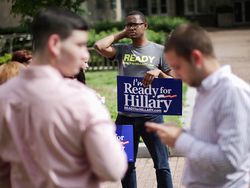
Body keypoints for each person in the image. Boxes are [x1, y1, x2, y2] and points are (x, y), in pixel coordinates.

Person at [0, 7, 127, 188]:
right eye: (80, 45)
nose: (86, 54)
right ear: (54, 44)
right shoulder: (83, 100)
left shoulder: (3, 96)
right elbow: (113, 168)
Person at [146, 24, 250, 188]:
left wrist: (180, 139)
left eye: (178, 67)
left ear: (196, 58)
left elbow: (230, 161)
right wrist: (181, 133)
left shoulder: (231, 92)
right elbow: (210, 140)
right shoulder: (205, 91)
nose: (176, 75)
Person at [95, 10, 173, 188]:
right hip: (125, 117)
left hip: (152, 117)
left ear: (145, 26)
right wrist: (122, 34)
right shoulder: (122, 50)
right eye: (128, 24)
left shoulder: (160, 51)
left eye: (135, 24)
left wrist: (159, 72)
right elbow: (99, 46)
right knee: (125, 166)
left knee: (162, 165)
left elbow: (174, 82)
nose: (131, 27)